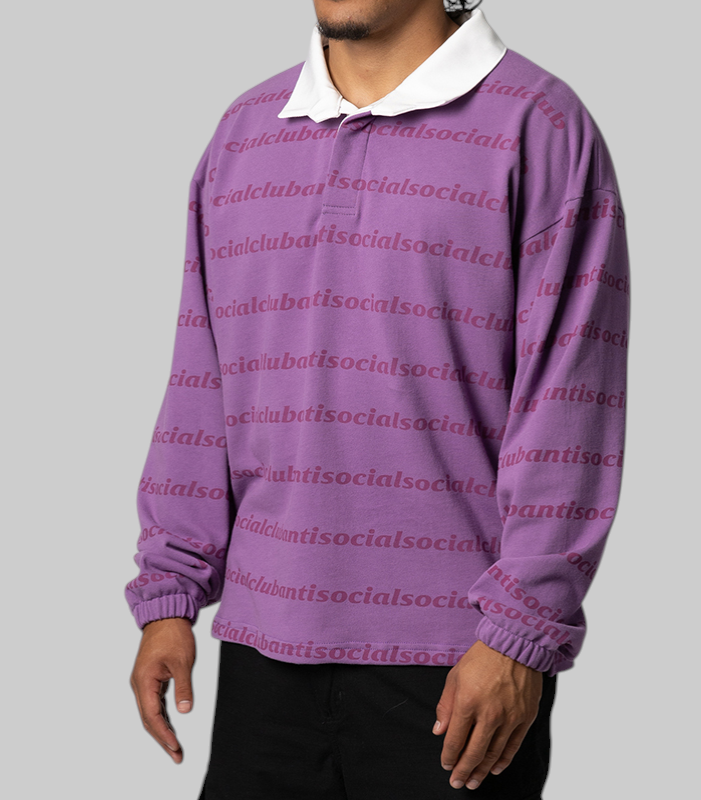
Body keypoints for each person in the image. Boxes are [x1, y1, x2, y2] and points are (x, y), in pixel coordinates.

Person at [126, 1, 630, 797]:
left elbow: (571, 402)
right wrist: (169, 594)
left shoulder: (540, 125)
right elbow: (201, 377)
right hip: (262, 652)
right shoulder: (244, 135)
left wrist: (519, 636)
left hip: (460, 667)